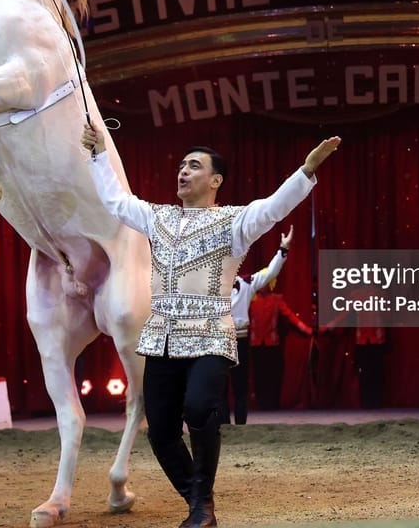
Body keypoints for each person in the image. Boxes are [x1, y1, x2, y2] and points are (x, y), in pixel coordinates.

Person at [81, 122, 340, 528]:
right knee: (161, 433)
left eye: (194, 165)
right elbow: (115, 201)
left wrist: (305, 172)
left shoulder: (235, 222)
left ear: (215, 180)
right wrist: (97, 155)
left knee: (200, 409)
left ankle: (202, 509)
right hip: (162, 338)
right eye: (181, 165)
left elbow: (273, 207)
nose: (183, 171)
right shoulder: (157, 217)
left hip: (209, 335)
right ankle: (200, 506)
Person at [225, 226, 294, 425]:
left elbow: (270, 272)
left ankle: (240, 427)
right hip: (218, 339)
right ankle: (221, 427)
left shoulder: (246, 283)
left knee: (240, 386)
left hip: (240, 339)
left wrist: (283, 249)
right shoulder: (208, 285)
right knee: (217, 386)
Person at [247, 257, 314, 413]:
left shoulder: (276, 300)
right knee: (259, 375)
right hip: (256, 344)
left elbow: (290, 316)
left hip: (272, 344)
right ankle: (262, 404)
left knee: (273, 375)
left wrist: (306, 329)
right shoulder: (251, 300)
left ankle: (273, 404)